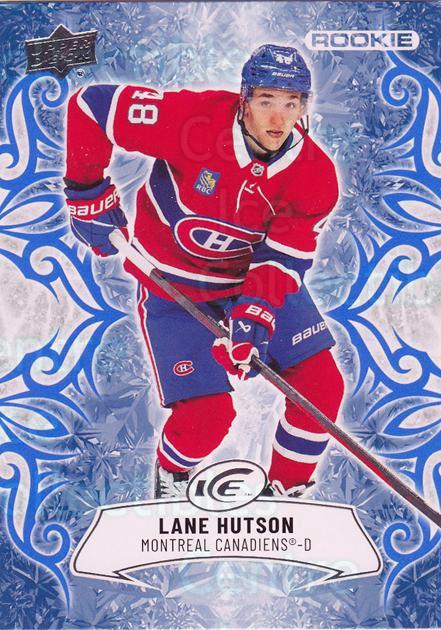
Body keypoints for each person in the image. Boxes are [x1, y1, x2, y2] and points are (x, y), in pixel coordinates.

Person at [64, 44, 345, 498]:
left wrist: (253, 315)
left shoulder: (315, 175)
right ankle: (172, 482)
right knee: (206, 418)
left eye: (291, 103)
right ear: (244, 99)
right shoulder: (192, 122)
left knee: (321, 388)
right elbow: (92, 107)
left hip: (249, 281)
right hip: (174, 289)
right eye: (266, 101)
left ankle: (285, 493)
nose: (279, 118)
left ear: (304, 107)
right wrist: (86, 191)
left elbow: (281, 260)